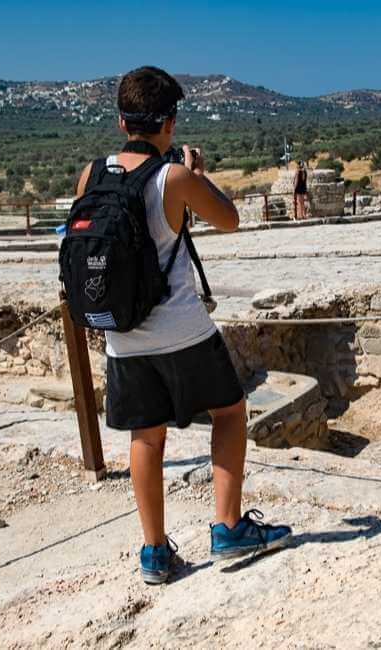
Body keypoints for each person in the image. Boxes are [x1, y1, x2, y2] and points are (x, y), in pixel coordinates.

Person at [74, 66, 291, 585]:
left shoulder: (91, 174)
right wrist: (197, 172)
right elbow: (231, 219)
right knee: (231, 413)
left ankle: (153, 553)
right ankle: (229, 528)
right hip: (183, 329)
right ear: (169, 122)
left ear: (121, 119)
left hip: (122, 336)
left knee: (145, 439)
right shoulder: (173, 176)